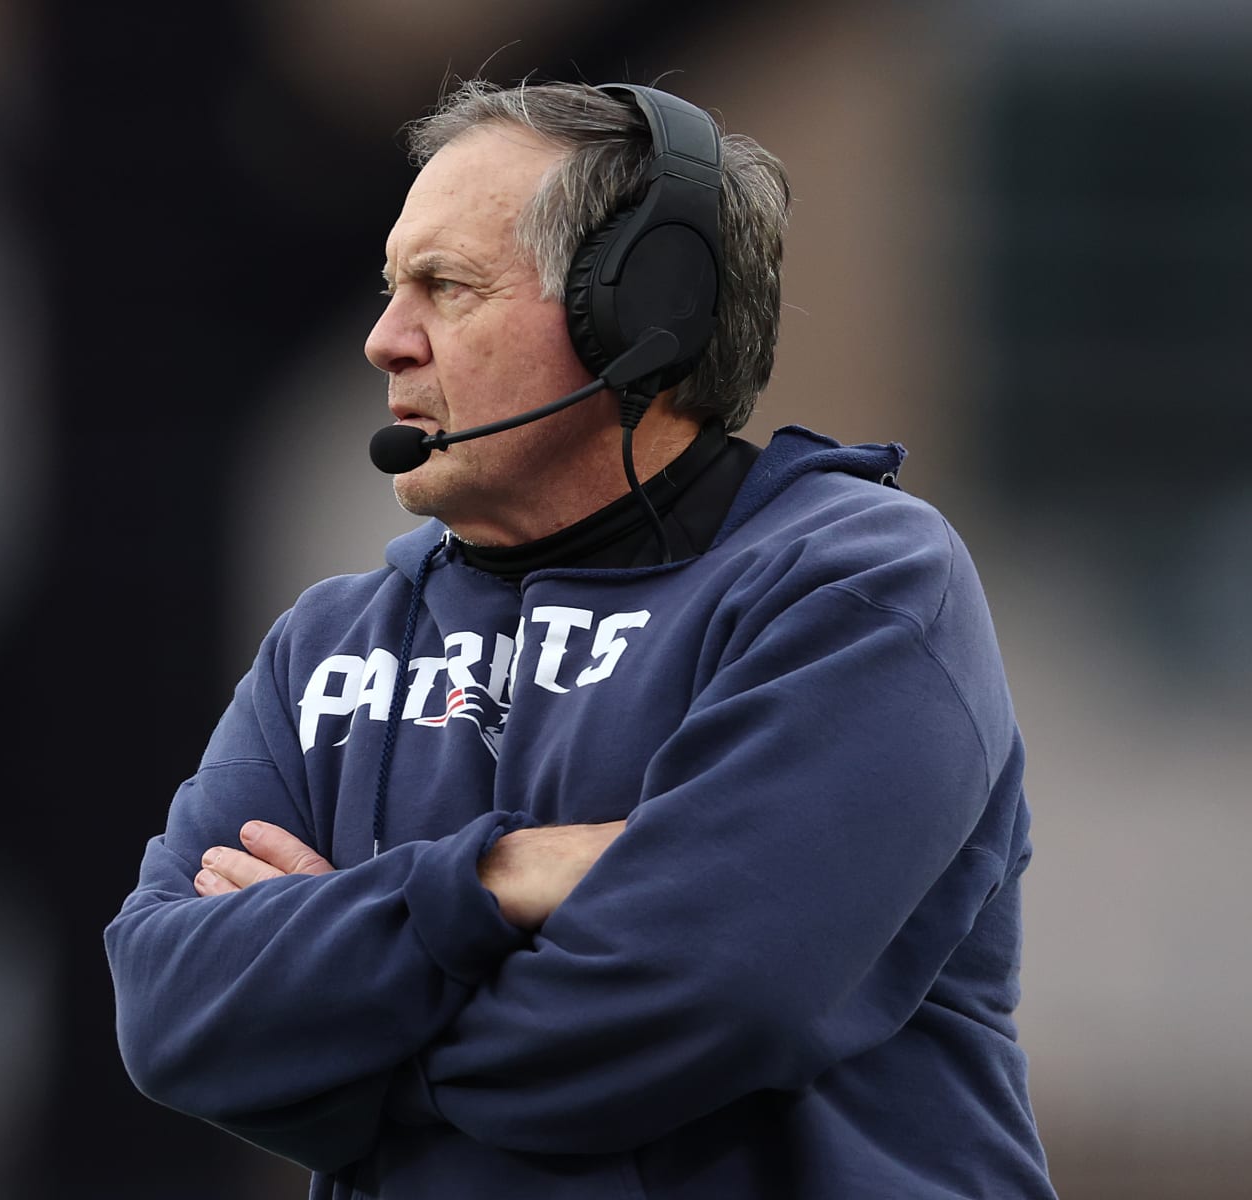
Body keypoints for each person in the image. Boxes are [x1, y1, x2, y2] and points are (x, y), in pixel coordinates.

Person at [104, 78, 1057, 1200]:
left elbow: (699, 1001)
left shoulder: (856, 586)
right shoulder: (330, 641)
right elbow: (172, 1012)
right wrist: (503, 878)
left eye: (445, 288)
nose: (383, 341)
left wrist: (349, 1051)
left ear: (642, 316)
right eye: (388, 288)